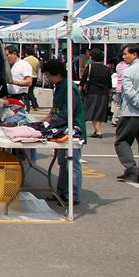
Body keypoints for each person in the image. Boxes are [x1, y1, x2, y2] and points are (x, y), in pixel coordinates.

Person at [42, 59, 85, 205]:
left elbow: (68, 111)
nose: (48, 78)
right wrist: (46, 119)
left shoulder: (69, 87)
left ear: (58, 74)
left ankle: (73, 196)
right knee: (62, 162)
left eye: (49, 75)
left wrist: (51, 122)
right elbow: (56, 108)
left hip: (73, 130)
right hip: (61, 129)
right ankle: (61, 192)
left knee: (72, 164)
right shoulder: (59, 86)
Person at [115, 44, 139, 181]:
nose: (124, 57)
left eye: (126, 54)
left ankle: (131, 168)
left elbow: (130, 93)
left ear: (134, 54)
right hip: (134, 111)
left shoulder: (128, 71)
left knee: (122, 141)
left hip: (131, 112)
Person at [80, 49, 111, 138]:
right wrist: (110, 94)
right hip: (104, 93)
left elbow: (83, 81)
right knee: (99, 112)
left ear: (92, 57)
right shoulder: (107, 68)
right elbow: (109, 83)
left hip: (92, 92)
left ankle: (98, 131)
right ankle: (97, 130)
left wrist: (80, 90)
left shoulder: (89, 67)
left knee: (88, 111)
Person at [22, 46, 41, 111]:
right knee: (30, 92)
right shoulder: (36, 60)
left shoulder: (25, 60)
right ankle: (35, 106)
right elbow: (37, 69)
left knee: (26, 93)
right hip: (35, 77)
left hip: (28, 77)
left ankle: (27, 107)